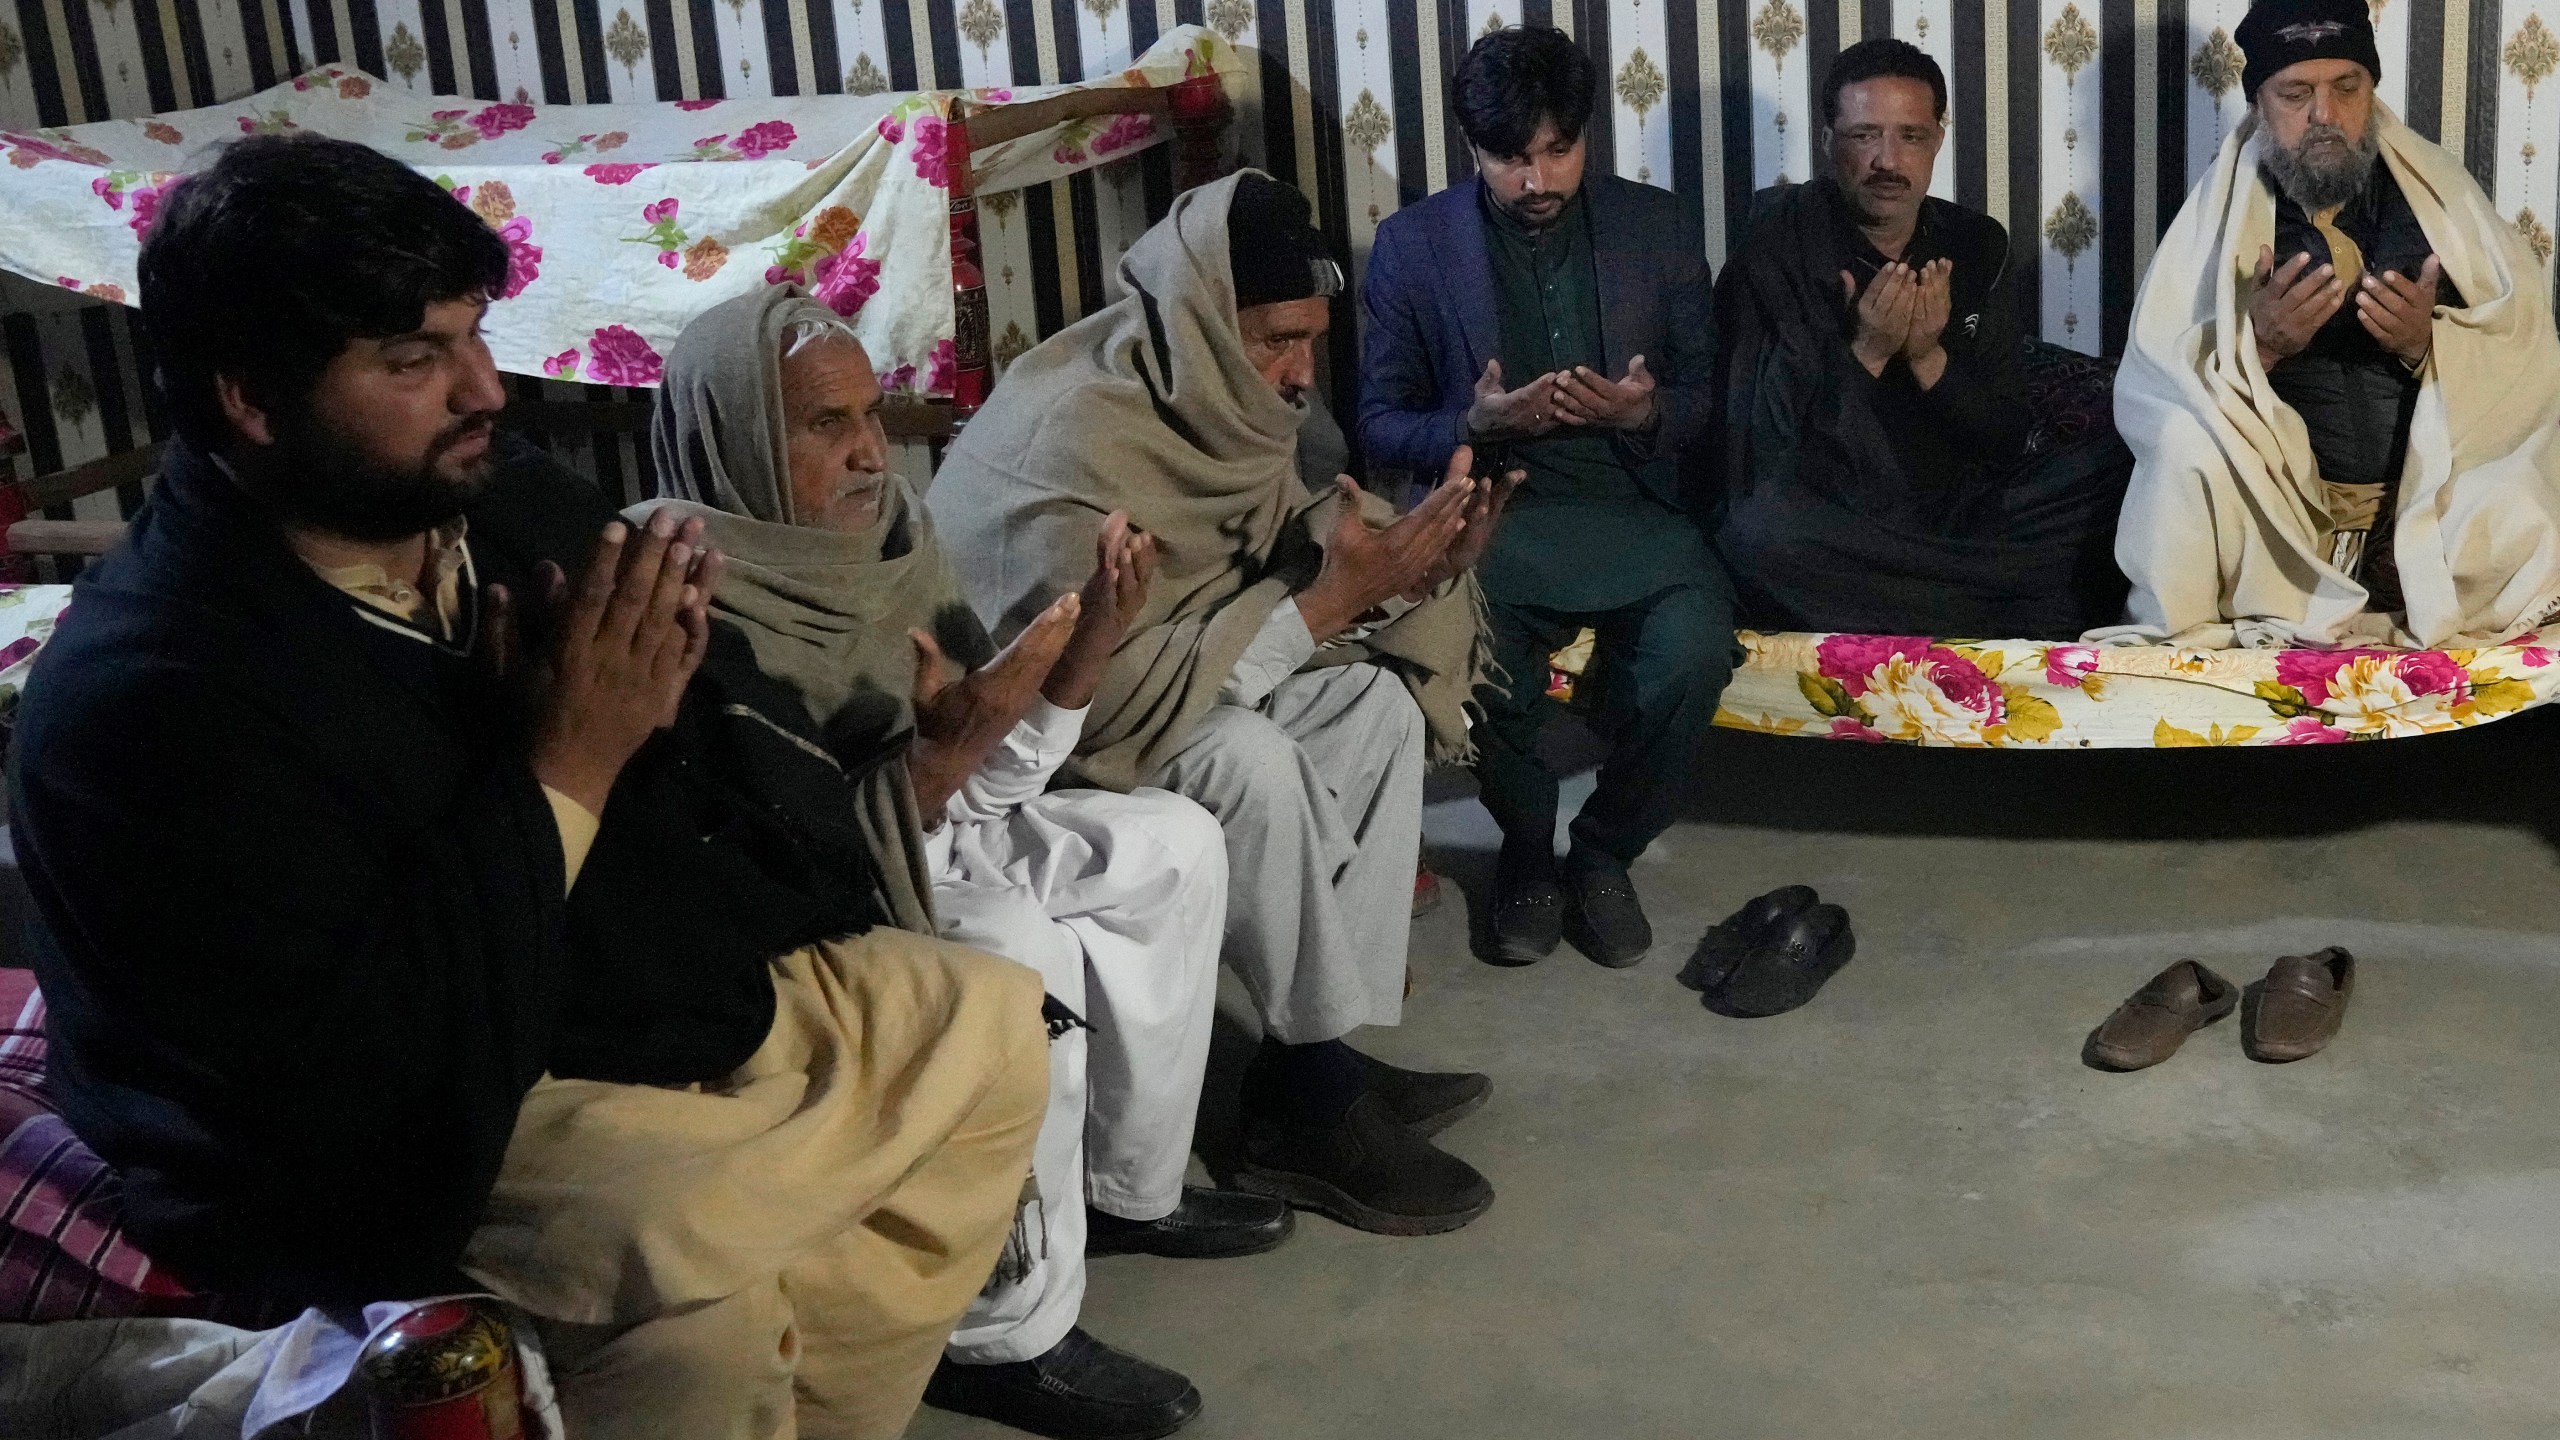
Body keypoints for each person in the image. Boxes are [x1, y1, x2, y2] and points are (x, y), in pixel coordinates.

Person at [14, 133, 1052, 1440]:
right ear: (253, 402)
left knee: (991, 1018)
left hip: (586, 987)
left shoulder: (494, 503)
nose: (483, 389)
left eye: (472, 334)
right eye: (412, 360)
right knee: (690, 1276)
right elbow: (364, 1089)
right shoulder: (151, 698)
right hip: (381, 1122)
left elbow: (725, 705)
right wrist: (564, 758)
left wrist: (656, 725)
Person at [643, 286, 1283, 1440]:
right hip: (815, 896)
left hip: (931, 826)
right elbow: (766, 854)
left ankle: (1126, 1192)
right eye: (822, 424)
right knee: (1016, 950)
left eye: (871, 415)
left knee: (1171, 843)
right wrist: (941, 764)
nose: (866, 451)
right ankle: (998, 1331)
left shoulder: (892, 540)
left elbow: (994, 777)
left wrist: (1080, 652)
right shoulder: (677, 586)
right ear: (735, 433)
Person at [930, 171, 1509, 1238]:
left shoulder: (1226, 400)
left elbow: (1277, 559)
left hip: (1173, 688)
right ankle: (1314, 1106)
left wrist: (1423, 564)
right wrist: (1340, 595)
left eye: (1311, 341)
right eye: (1274, 340)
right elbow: (1089, 693)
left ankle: (1307, 1067)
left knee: (1370, 710)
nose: (1298, 375)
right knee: (1248, 759)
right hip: (1028, 746)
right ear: (1198, 316)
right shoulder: (1073, 434)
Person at [1360, 25, 1735, 969]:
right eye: (1509, 160)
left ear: (1587, 138)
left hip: (1638, 510)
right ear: (1474, 151)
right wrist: (1477, 424)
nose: (1536, 182)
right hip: (1492, 515)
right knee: (1476, 662)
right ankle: (1527, 850)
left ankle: (1604, 852)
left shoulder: (1658, 224)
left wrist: (1641, 413)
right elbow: (1377, 422)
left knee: (1690, 656)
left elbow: (1709, 397)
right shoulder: (1414, 247)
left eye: (1557, 152)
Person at [2113, 0, 2560, 648]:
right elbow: (2157, 383)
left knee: (2514, 473)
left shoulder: (2443, 201)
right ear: (2259, 104)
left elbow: (2523, 356)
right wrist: (2257, 347)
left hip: (2426, 501)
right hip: (2282, 514)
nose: (2324, 115)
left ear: (2371, 92)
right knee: (2185, 443)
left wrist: (2427, 346)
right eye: (2296, 93)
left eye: (2345, 88)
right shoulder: (2220, 217)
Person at [1712, 37, 2133, 641]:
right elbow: (1762, 455)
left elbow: (2005, 436)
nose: (1888, 160)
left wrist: (1927, 355)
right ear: (1828, 142)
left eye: (1910, 136)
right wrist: (1871, 350)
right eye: (1864, 136)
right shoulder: (1776, 246)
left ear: (1937, 140)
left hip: (1958, 514)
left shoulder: (1974, 243)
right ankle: (2011, 609)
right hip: (1836, 518)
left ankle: (1944, 600)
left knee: (2124, 466)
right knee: (1754, 537)